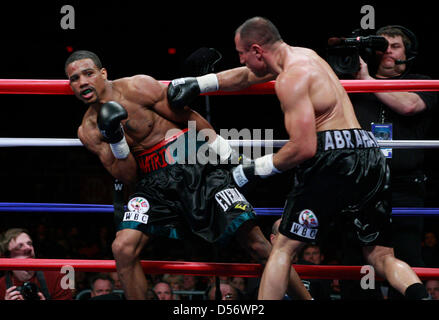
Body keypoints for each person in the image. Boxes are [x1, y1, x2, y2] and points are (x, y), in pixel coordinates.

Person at [167, 16, 429, 300]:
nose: (241, 61)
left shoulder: (291, 81)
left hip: (333, 158)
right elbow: (247, 76)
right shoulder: (306, 56)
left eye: (242, 54)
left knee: (283, 247)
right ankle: (421, 297)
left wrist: (252, 169)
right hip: (369, 154)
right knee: (381, 256)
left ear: (257, 50)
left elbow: (304, 148)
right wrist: (201, 83)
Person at [65, 50, 309, 300]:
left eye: (88, 73)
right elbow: (127, 176)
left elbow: (190, 117)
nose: (82, 82)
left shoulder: (138, 86)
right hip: (152, 182)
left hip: (193, 164)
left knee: (257, 243)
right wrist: (117, 140)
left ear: (103, 73)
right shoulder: (89, 130)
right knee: (123, 248)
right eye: (74, 78)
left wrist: (230, 158)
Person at [350, 25, 438, 299]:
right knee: (359, 263)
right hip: (361, 184)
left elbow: (408, 105)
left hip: (404, 186)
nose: (387, 50)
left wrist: (366, 79)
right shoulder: (353, 84)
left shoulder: (422, 81)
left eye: (395, 45)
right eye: (382, 45)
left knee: (407, 255)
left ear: (407, 53)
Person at [0, 228, 73, 300]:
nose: (29, 248)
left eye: (29, 243)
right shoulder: (1, 287)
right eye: (20, 246)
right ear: (7, 256)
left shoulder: (57, 277)